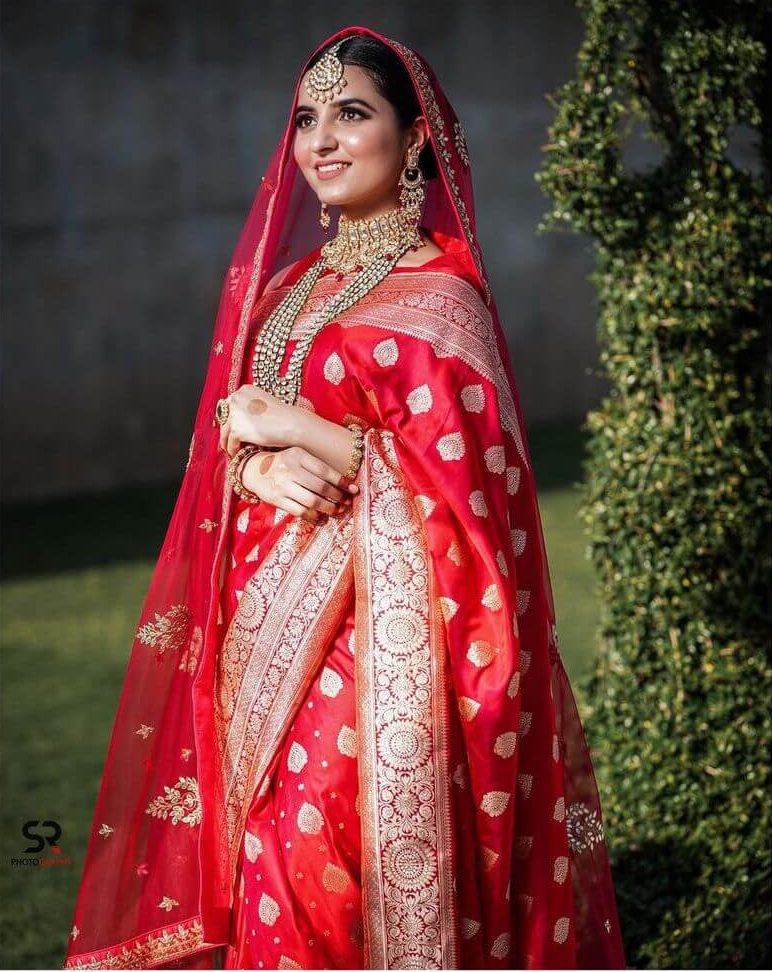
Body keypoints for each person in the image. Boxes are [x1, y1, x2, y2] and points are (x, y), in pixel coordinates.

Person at [62, 25, 627, 971]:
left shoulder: (442, 293)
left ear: (413, 142)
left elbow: (469, 488)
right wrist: (253, 463)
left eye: (352, 114)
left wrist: (286, 426)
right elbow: (222, 454)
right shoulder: (285, 288)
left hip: (388, 656)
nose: (322, 139)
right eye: (306, 119)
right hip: (258, 644)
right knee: (262, 869)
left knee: (318, 856)